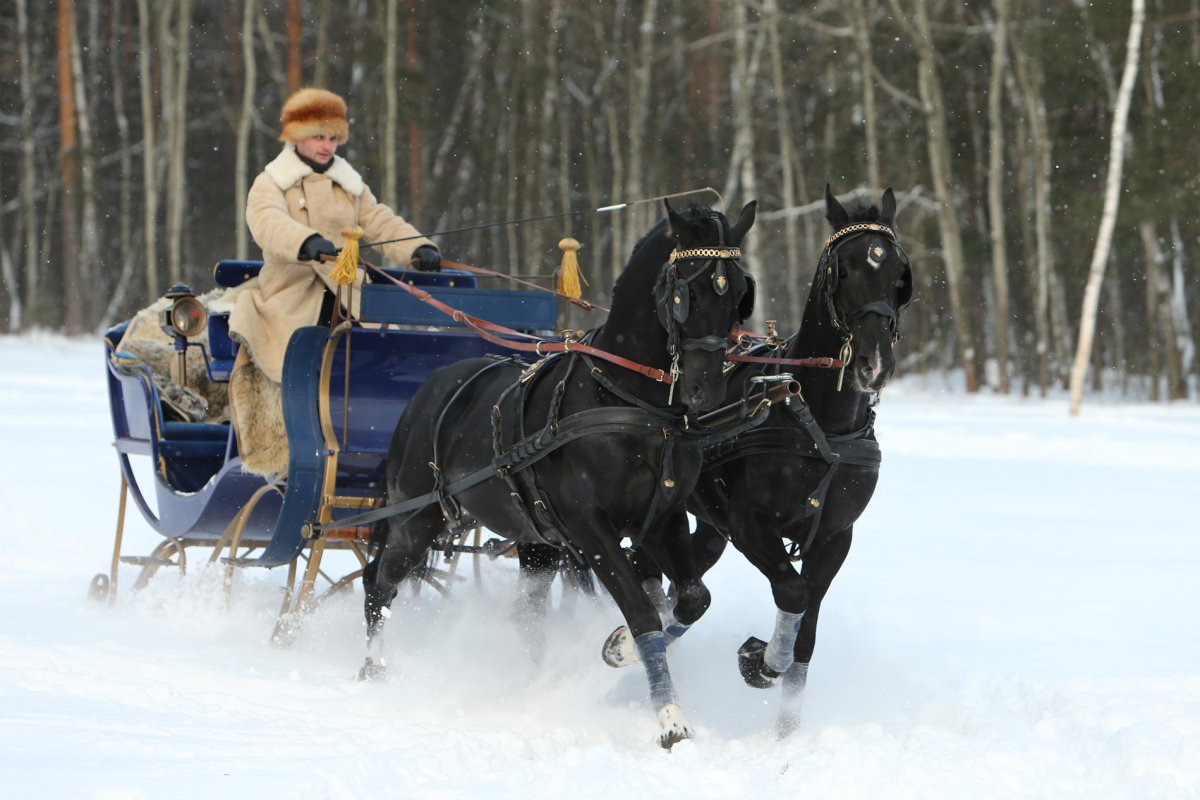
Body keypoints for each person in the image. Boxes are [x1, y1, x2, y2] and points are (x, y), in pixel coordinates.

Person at [228, 86, 442, 476]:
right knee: (290, 354)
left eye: (332, 137)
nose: (327, 146)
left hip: (348, 296)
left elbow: (380, 221)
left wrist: (418, 247)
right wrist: (304, 241)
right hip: (290, 296)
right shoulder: (272, 182)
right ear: (295, 136)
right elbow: (266, 222)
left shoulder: (350, 185)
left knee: (382, 354)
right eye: (317, 137)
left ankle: (375, 443)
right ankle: (289, 444)